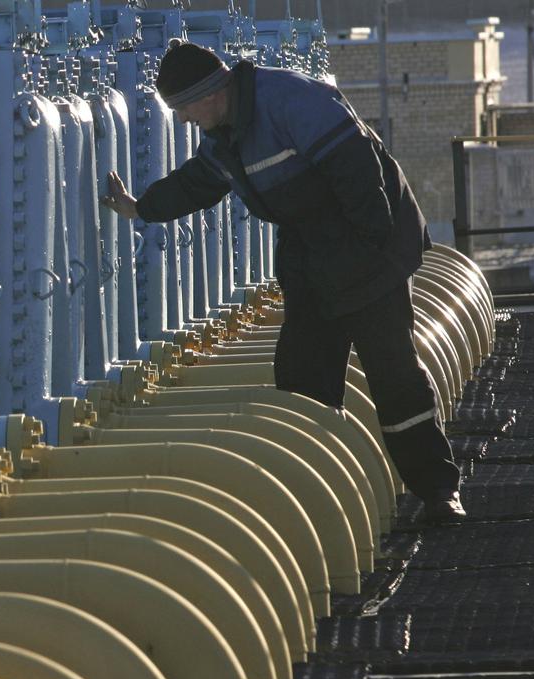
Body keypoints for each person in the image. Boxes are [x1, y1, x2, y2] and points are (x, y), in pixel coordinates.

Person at [101, 40, 466, 523]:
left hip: (367, 243)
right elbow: (198, 183)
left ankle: (439, 491)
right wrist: (140, 208)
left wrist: (369, 255)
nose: (184, 120)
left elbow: (359, 172)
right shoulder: (224, 137)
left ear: (210, 93)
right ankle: (319, 500)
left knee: (393, 372)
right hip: (310, 246)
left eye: (184, 108)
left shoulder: (292, 99)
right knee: (301, 376)